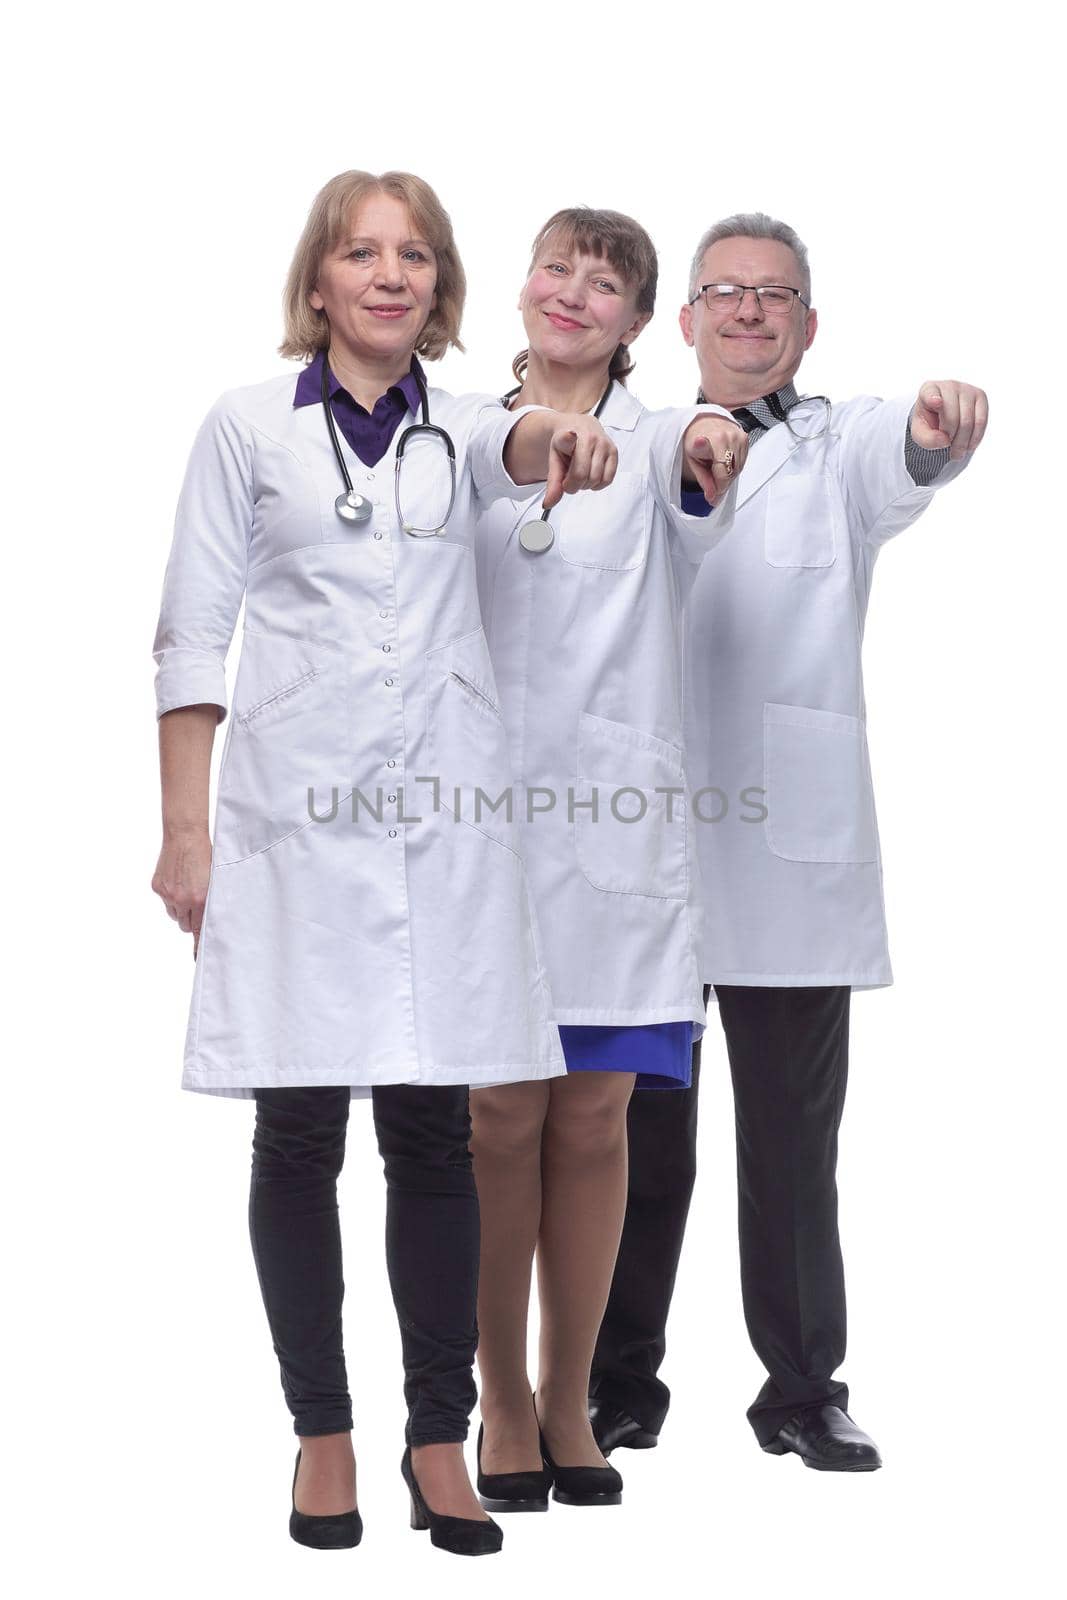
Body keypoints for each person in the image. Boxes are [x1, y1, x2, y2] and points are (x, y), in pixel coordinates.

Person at [150, 169, 620, 1556]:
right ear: (318, 282)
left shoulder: (466, 425)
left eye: (414, 255)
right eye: (361, 252)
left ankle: (433, 1437)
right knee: (295, 1134)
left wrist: (561, 443)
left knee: (429, 1135)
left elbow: (523, 440)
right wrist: (186, 830)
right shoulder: (246, 429)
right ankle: (320, 1433)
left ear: (437, 286)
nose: (388, 274)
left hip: (440, 831)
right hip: (290, 825)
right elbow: (189, 632)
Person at [590, 211, 987, 1471]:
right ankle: (612, 1384)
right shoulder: (629, 445)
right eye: (725, 293)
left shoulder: (841, 447)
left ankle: (802, 1388)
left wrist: (934, 429)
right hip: (637, 845)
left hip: (785, 852)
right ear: (686, 322)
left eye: (775, 297)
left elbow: (904, 458)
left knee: (791, 1142)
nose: (750, 313)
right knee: (629, 1136)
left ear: (806, 327)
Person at [469, 208, 748, 1512]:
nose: (572, 293)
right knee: (492, 1119)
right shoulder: (454, 438)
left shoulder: (655, 446)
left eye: (606, 283)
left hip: (615, 831)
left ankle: (572, 1393)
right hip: (471, 828)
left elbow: (705, 493)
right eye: (555, 268)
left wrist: (705, 445)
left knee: (590, 1119)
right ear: (521, 284)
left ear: (638, 322)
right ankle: (502, 1404)